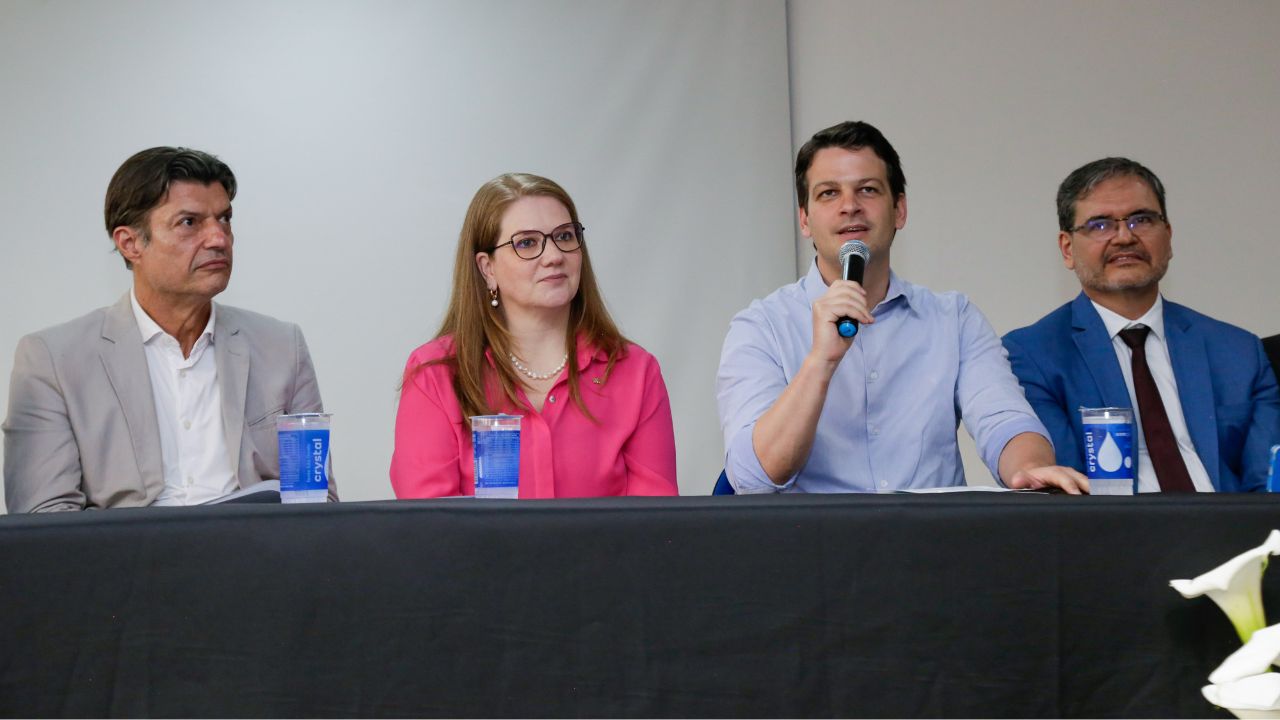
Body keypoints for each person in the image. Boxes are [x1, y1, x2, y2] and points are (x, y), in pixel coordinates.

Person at [716, 121, 1088, 494]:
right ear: (804, 220)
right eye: (829, 193)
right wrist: (820, 363)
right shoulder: (760, 326)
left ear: (899, 210)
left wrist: (1031, 468)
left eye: (868, 190)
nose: (850, 206)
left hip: (929, 545)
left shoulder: (953, 319)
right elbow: (753, 478)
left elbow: (1003, 418)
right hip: (814, 546)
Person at [3, 147, 335, 512]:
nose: (219, 239)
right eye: (189, 223)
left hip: (252, 560)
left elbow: (318, 504)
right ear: (130, 244)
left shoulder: (281, 347)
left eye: (224, 219)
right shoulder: (54, 361)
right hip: (126, 564)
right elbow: (44, 521)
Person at [390, 173, 678, 498]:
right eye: (527, 243)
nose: (554, 255)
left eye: (565, 236)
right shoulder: (435, 374)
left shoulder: (636, 371)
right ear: (487, 268)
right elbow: (430, 529)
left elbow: (654, 524)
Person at [1003, 157, 1280, 492]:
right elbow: (1064, 490)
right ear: (1067, 249)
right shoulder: (1032, 355)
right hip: (1116, 536)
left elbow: (1266, 486)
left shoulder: (1237, 350)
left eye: (1141, 220)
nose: (1124, 237)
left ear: (1168, 235)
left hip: (1233, 533)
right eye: (1100, 225)